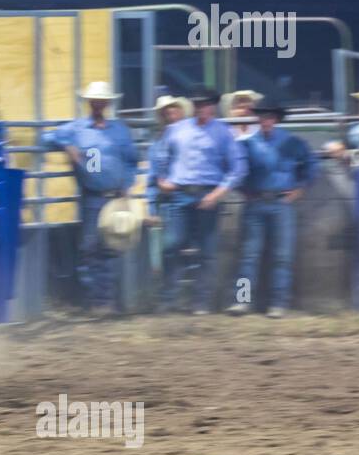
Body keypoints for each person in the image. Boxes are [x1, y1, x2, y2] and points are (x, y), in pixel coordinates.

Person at [41, 81, 138, 313]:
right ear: (89, 103)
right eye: (94, 101)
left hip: (115, 196)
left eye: (101, 101)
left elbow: (132, 159)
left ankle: (103, 300)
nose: (97, 104)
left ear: (107, 103)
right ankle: (98, 299)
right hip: (93, 195)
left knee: (108, 247)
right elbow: (45, 138)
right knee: (91, 247)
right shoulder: (76, 128)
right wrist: (66, 145)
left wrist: (127, 184)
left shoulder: (119, 130)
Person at [152, 86, 245, 314]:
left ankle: (200, 301)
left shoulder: (223, 132)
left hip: (208, 194)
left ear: (212, 106)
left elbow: (238, 167)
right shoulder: (176, 130)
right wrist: (162, 180)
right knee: (171, 245)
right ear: (192, 106)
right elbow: (161, 157)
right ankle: (169, 298)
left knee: (207, 250)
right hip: (180, 192)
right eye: (198, 103)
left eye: (205, 103)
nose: (201, 107)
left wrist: (217, 193)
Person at [227, 98, 316, 318]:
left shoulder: (292, 142)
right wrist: (243, 190)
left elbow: (311, 165)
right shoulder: (247, 143)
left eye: (270, 117)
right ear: (258, 118)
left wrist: (299, 190)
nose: (266, 120)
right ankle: (243, 301)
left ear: (275, 119)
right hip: (258, 201)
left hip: (279, 202)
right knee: (250, 255)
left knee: (281, 256)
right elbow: (236, 170)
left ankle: (277, 303)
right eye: (263, 116)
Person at [145, 94, 192, 228]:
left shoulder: (193, 136)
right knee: (173, 242)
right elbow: (153, 178)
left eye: (173, 112)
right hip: (170, 201)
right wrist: (152, 209)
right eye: (166, 114)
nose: (171, 117)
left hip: (192, 196)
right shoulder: (158, 143)